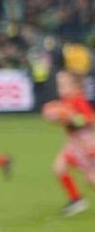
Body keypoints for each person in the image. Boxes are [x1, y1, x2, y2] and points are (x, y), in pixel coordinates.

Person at [42, 69, 95, 217]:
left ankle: (77, 200)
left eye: (64, 85)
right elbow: (62, 117)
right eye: (60, 85)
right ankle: (76, 200)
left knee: (90, 178)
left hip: (85, 144)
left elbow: (90, 120)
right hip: (73, 144)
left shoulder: (78, 100)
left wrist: (74, 118)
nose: (61, 88)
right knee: (59, 167)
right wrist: (53, 116)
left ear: (76, 87)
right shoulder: (66, 102)